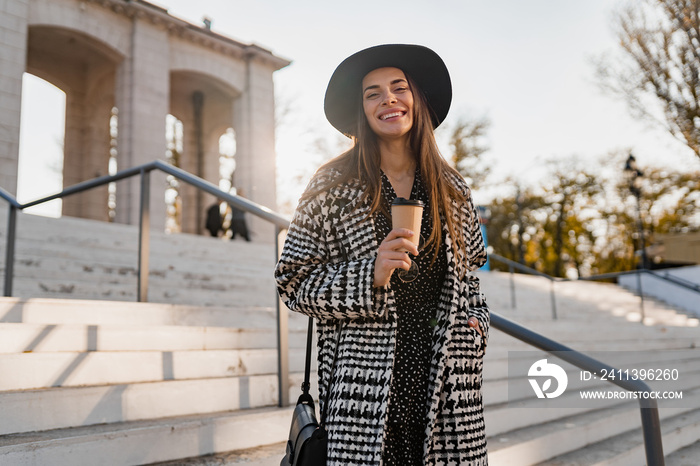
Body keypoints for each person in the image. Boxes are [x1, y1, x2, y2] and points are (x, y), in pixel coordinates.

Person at [274, 44, 490, 465]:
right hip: (366, 389)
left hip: (446, 383)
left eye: (398, 87)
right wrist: (367, 274)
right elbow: (293, 281)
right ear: (362, 110)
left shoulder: (453, 188)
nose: (388, 99)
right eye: (372, 93)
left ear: (417, 100)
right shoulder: (331, 184)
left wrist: (475, 327)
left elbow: (471, 281)